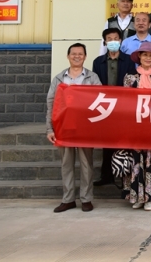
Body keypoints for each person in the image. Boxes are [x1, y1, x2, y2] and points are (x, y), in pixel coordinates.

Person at [46, 43, 102, 213]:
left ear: (85, 57)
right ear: (68, 56)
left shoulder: (92, 78)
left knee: (86, 164)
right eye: (73, 54)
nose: (77, 56)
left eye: (80, 54)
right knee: (66, 164)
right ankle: (68, 199)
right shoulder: (59, 78)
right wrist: (50, 129)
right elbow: (51, 104)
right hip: (64, 127)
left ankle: (86, 199)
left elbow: (100, 100)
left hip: (85, 127)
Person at [122, 42, 151, 211]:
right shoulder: (130, 77)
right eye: (145, 55)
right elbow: (125, 101)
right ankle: (137, 196)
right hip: (135, 124)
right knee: (136, 160)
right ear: (139, 57)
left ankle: (150, 197)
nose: (148, 58)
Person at [91, 28, 135, 186]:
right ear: (105, 42)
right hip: (106, 106)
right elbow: (95, 84)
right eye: (109, 39)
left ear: (121, 41)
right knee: (107, 141)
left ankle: (125, 175)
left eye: (116, 38)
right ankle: (106, 175)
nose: (113, 41)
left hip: (124, 106)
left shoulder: (129, 60)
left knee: (124, 140)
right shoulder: (98, 62)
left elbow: (132, 82)